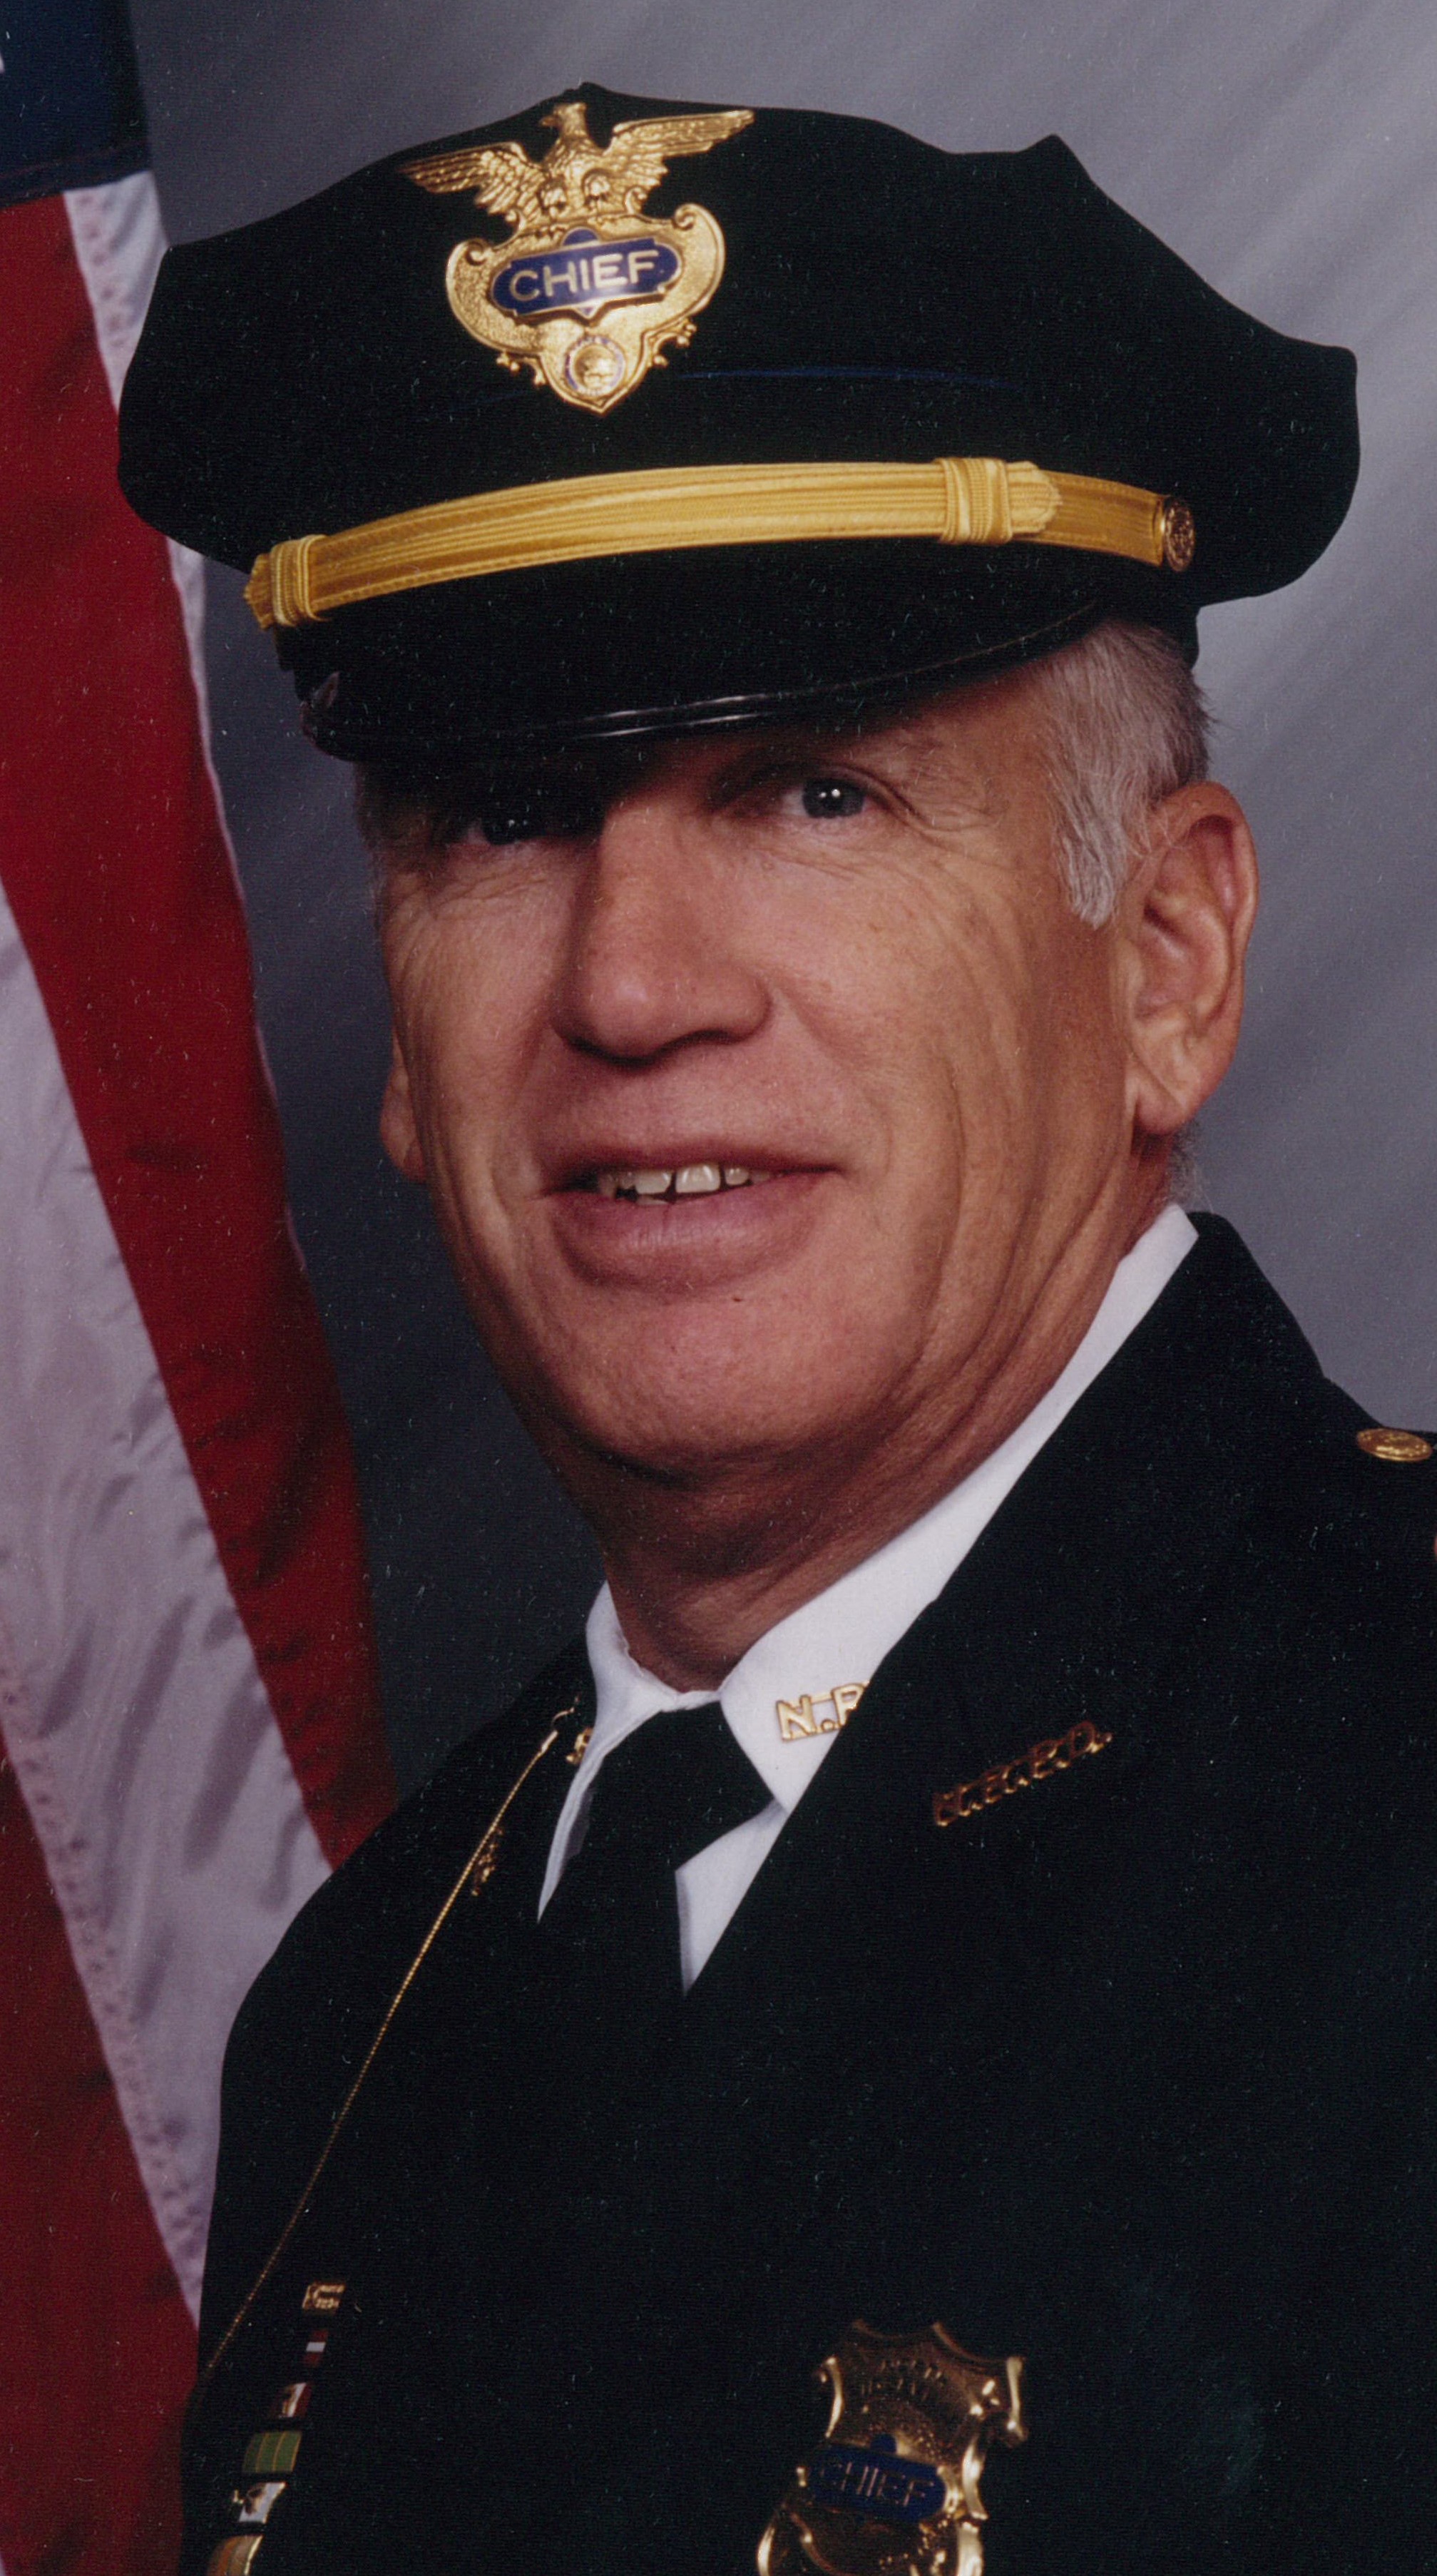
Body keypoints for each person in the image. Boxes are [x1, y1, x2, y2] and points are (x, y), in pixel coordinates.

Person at [120, 83, 1436, 2576]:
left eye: (817, 793)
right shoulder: (368, 1997)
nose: (630, 987)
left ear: (1168, 960)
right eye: (508, 813)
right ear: (397, 1038)